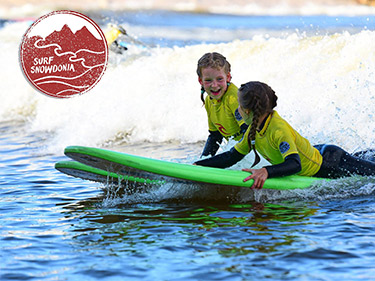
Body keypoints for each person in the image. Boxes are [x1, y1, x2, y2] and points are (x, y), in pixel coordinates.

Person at [194, 81, 375, 189]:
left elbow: (294, 164)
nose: (238, 112)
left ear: (248, 111)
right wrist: (199, 166)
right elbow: (232, 156)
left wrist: (266, 171)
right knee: (364, 159)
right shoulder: (254, 128)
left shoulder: (277, 129)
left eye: (239, 107)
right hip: (315, 153)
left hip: (330, 162)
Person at [197, 52, 248, 157]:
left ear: (228, 77)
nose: (214, 85)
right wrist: (202, 162)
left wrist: (227, 159)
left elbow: (249, 133)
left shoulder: (233, 98)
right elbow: (215, 136)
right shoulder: (209, 101)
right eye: (208, 80)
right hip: (241, 151)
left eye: (219, 79)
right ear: (200, 80)